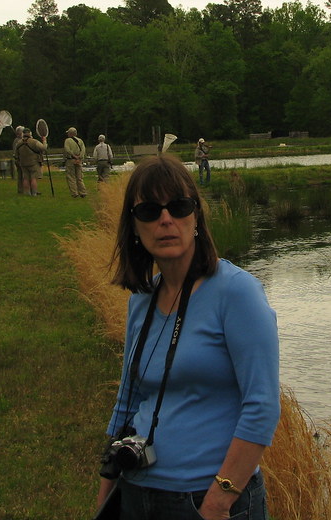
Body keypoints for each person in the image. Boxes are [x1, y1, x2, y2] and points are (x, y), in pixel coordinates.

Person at [96, 154, 279, 520]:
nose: (166, 220)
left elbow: (261, 406)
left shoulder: (237, 294)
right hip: (137, 491)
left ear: (195, 216)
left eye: (178, 207)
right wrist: (106, 495)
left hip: (205, 502)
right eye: (149, 211)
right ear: (134, 226)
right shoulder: (141, 300)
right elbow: (127, 401)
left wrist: (219, 499)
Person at [15, 127, 47, 196]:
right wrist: (44, 141)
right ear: (30, 133)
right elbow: (43, 148)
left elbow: (16, 154)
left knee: (25, 178)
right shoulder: (34, 142)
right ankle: (34, 193)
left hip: (23, 163)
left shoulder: (19, 143)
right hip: (33, 163)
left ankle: (27, 193)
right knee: (33, 178)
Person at [63, 126, 87, 198]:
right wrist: (79, 157)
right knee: (79, 177)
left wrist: (73, 156)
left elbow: (67, 149)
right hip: (79, 160)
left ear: (70, 133)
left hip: (71, 160)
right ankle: (83, 192)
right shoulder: (80, 141)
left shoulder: (67, 140)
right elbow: (83, 150)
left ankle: (74, 193)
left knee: (71, 177)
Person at [11, 126, 26, 194]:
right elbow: (15, 152)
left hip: (21, 160)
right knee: (22, 176)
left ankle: (22, 190)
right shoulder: (17, 141)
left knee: (22, 176)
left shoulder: (21, 140)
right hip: (19, 160)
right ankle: (21, 190)